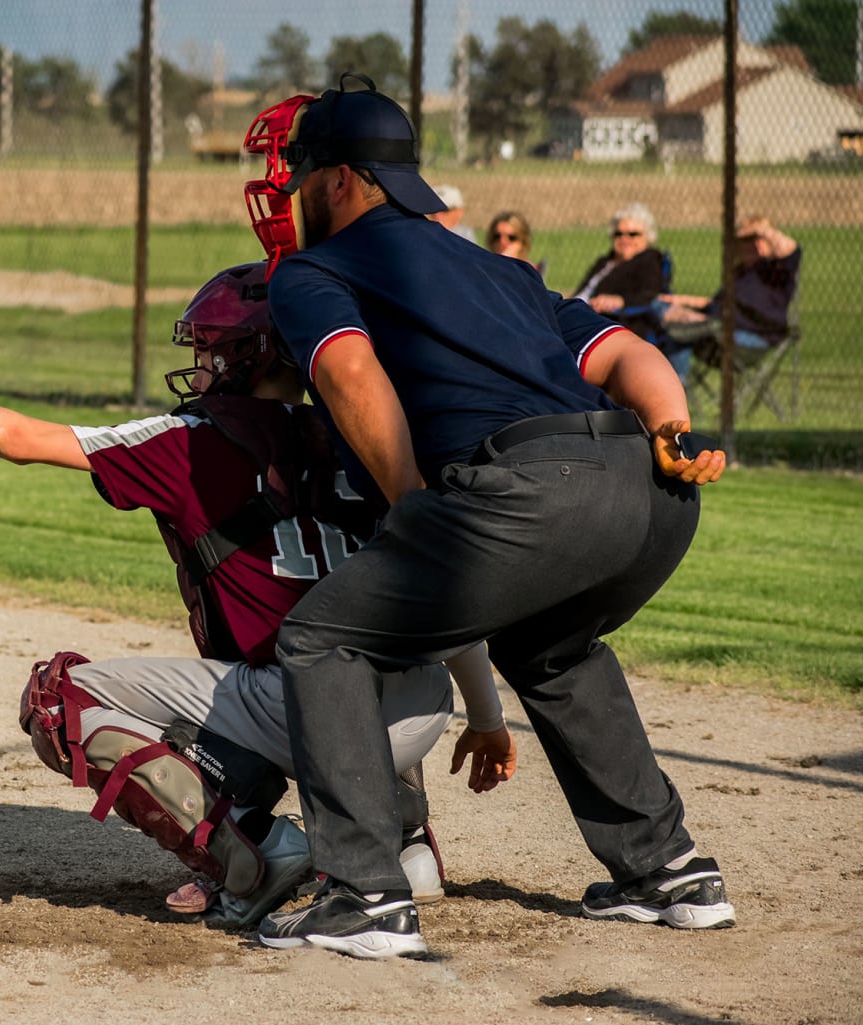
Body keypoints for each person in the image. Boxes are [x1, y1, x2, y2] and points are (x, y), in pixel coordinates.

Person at [0, 263, 513, 930]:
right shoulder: (369, 436)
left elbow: (18, 437)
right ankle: (406, 845)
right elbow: (439, 586)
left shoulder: (190, 438)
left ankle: (253, 855)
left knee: (60, 698)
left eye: (210, 350)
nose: (200, 366)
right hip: (420, 714)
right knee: (378, 612)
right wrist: (487, 718)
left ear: (251, 357)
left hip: (312, 714)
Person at [241, 74, 729, 960]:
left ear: (343, 180)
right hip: (649, 492)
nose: (295, 189)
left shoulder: (315, 271)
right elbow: (626, 352)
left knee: (321, 638)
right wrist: (674, 429)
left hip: (529, 488)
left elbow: (351, 375)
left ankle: (364, 893)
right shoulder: (497, 267)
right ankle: (667, 869)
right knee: (550, 644)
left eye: (304, 169)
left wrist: (410, 502)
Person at [658, 215, 802, 379]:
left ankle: (675, 387)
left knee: (682, 332)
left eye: (756, 239)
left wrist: (759, 229)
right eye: (745, 240)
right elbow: (717, 304)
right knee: (670, 325)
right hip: (719, 332)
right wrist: (681, 301)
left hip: (750, 339)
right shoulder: (739, 273)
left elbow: (791, 249)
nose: (751, 244)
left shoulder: (776, 270)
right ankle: (668, 386)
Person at [571, 203, 666, 341]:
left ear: (648, 237)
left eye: (632, 234)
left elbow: (649, 294)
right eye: (618, 234)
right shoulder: (604, 262)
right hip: (578, 314)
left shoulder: (648, 260)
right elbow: (583, 292)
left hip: (610, 325)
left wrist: (620, 301)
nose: (624, 239)